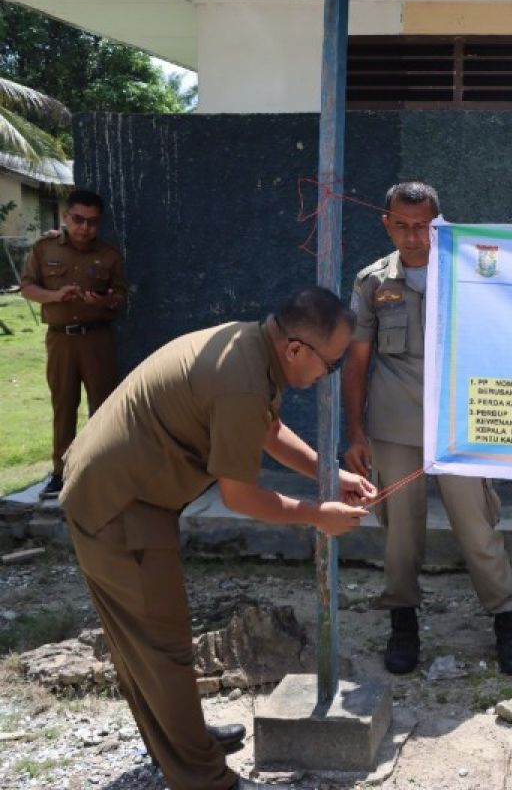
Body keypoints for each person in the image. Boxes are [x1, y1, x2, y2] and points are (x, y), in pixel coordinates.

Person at [60, 287, 376, 790]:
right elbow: (240, 497)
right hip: (118, 505)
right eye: (331, 365)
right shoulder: (243, 380)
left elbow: (266, 432)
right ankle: (204, 778)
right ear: (295, 348)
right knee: (159, 647)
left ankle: (184, 743)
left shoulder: (252, 347)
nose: (327, 376)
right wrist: (319, 514)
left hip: (128, 493)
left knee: (149, 644)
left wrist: (328, 473)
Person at [342, 180, 512, 676]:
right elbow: (356, 362)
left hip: (459, 424)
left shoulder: (472, 275)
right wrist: (356, 434)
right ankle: (403, 622)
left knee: (476, 526)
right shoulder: (371, 283)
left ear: (438, 223)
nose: (412, 236)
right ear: (386, 223)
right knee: (399, 534)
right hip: (394, 424)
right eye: (401, 226)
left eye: (422, 225)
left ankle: (507, 618)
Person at [19, 189, 127, 499]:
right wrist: (54, 296)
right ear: (66, 217)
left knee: (105, 406)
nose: (84, 228)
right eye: (78, 219)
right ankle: (61, 472)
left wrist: (104, 300)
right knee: (64, 405)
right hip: (60, 339)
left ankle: (104, 470)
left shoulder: (108, 255)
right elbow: (27, 286)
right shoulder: (44, 249)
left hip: (97, 338)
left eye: (92, 222)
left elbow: (120, 296)